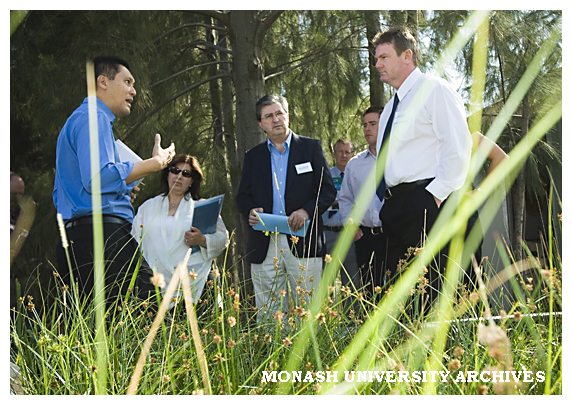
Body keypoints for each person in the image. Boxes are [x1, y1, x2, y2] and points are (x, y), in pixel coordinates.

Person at [53, 56, 176, 308]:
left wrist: (120, 190)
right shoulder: (93, 117)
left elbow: (65, 192)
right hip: (104, 239)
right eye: (128, 81)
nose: (134, 91)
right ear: (103, 82)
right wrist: (154, 164)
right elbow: (98, 178)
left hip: (77, 239)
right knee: (148, 318)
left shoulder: (78, 120)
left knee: (94, 333)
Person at [372, 27, 473, 304]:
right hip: (396, 209)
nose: (377, 64)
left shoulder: (434, 89)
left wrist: (434, 197)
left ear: (407, 56)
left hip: (428, 203)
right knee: (400, 297)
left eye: (383, 57)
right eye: (376, 58)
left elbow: (458, 146)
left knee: (435, 295)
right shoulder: (392, 107)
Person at [236, 94, 336, 322]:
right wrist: (251, 210)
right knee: (269, 315)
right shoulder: (253, 157)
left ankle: (310, 357)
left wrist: (306, 211)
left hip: (304, 240)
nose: (276, 119)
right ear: (261, 124)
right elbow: (243, 196)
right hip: (265, 243)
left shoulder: (310, 148)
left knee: (310, 313)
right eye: (268, 116)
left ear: (288, 116)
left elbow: (327, 190)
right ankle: (273, 357)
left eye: (279, 113)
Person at [131, 154, 229, 305]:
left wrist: (203, 240)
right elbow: (133, 241)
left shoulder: (202, 206)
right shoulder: (148, 206)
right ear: (167, 174)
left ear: (192, 181)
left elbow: (223, 239)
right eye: (175, 170)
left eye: (186, 173)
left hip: (192, 281)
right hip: (152, 283)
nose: (179, 176)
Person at [339, 107, 387, 298]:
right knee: (370, 293)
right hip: (366, 238)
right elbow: (345, 199)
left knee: (398, 290)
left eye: (373, 124)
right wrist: (352, 228)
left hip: (395, 235)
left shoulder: (398, 158)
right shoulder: (355, 164)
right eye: (365, 125)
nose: (367, 129)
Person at [322, 139, 359, 291]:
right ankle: (325, 314)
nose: (344, 155)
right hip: (328, 233)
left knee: (352, 282)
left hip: (350, 235)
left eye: (347, 152)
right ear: (334, 154)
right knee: (325, 282)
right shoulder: (325, 175)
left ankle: (352, 315)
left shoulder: (358, 175)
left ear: (352, 154)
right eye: (340, 152)